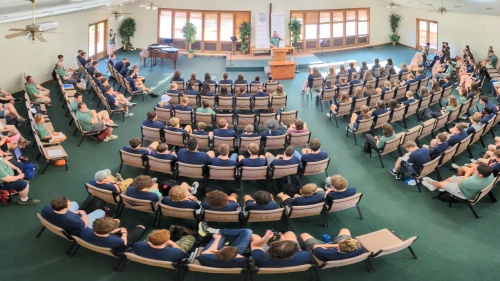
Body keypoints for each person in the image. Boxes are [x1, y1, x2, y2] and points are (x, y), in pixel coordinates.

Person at [422, 164, 494, 200]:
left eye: (477, 171)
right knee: (450, 179)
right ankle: (439, 187)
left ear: (480, 175)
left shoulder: (472, 182)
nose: (476, 171)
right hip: (468, 184)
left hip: (464, 192)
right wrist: (471, 172)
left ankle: (433, 185)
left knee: (441, 183)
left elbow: (460, 182)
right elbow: (473, 168)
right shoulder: (490, 174)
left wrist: (467, 173)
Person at [40, 196, 105, 236]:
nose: (70, 203)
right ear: (64, 208)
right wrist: (83, 214)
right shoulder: (73, 220)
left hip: (55, 221)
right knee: (100, 212)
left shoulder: (46, 207)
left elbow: (63, 213)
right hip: (71, 230)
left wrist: (76, 212)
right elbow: (84, 225)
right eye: (69, 203)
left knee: (74, 203)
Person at [80, 217, 146, 254]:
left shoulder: (84, 230)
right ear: (109, 231)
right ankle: (141, 227)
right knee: (140, 228)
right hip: (114, 247)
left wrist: (113, 231)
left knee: (117, 221)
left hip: (95, 240)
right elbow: (124, 244)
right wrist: (124, 233)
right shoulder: (117, 241)